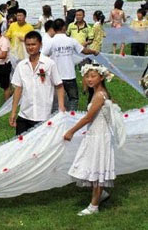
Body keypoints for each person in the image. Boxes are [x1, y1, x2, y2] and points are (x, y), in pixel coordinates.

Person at [64, 64, 123, 216]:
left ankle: (94, 206)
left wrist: (71, 131)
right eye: (87, 76)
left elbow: (89, 117)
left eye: (93, 76)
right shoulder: (99, 93)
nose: (89, 79)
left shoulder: (99, 95)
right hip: (95, 134)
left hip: (99, 136)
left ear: (101, 77)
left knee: (97, 169)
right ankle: (100, 195)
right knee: (92, 165)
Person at [9, 31, 65, 135]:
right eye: (28, 45)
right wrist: (13, 111)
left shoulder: (49, 64)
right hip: (25, 113)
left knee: (41, 148)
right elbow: (18, 89)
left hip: (43, 114)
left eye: (33, 44)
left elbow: (59, 86)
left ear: (40, 45)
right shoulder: (21, 66)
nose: (30, 47)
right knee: (21, 145)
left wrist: (61, 106)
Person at [42, 18, 99, 111]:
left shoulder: (50, 42)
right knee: (73, 98)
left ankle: (56, 116)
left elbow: (43, 56)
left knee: (57, 100)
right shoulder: (71, 41)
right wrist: (94, 51)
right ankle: (71, 116)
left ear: (54, 28)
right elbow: (84, 51)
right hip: (69, 75)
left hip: (56, 75)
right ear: (64, 28)